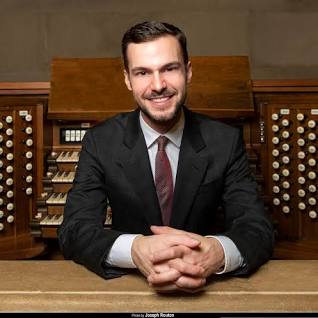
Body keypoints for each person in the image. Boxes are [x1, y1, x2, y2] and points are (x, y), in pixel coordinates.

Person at [58, 21, 273, 293]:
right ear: (127, 79)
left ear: (188, 71)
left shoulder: (225, 141)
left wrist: (216, 253)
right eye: (143, 72)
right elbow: (74, 230)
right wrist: (134, 249)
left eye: (169, 69)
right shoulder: (100, 142)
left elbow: (257, 228)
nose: (158, 85)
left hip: (208, 287)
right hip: (130, 286)